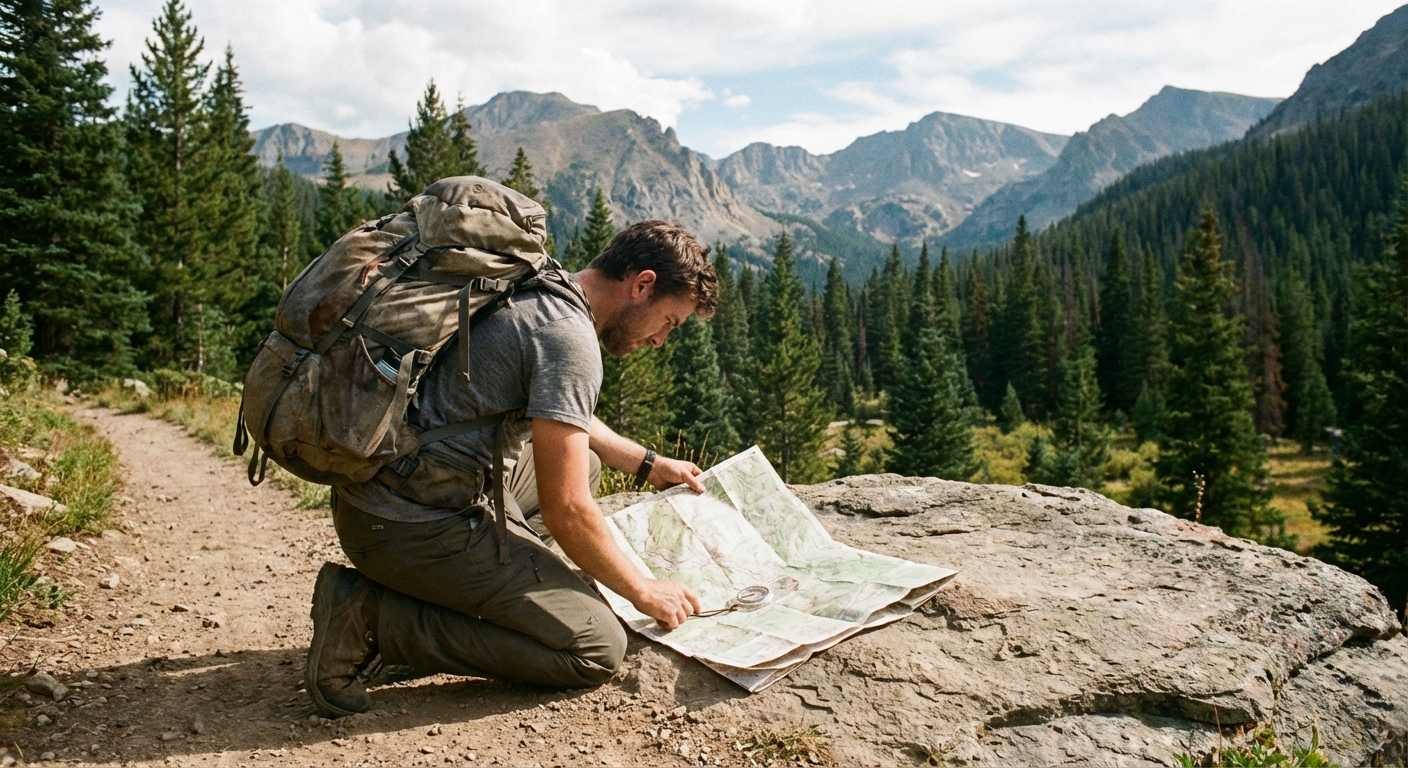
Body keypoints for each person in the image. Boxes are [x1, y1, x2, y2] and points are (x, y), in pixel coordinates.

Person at [305, 220, 719, 717]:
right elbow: (566, 511)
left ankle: (497, 588)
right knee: (596, 647)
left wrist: (646, 463)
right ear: (643, 284)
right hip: (406, 525)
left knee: (582, 464)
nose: (660, 341)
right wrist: (640, 589)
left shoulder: (544, 286)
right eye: (669, 323)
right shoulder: (570, 340)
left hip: (376, 492)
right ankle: (374, 622)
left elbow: (563, 409)